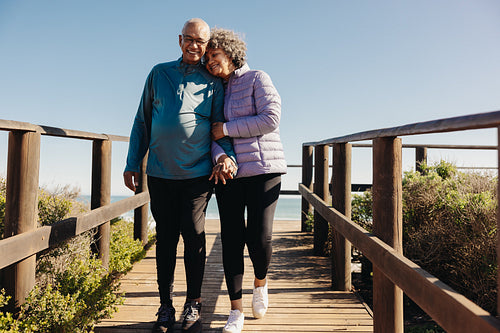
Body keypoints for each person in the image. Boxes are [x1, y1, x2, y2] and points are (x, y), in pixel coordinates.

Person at [124, 19, 237, 333]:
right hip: (159, 173)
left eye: (200, 41)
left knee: (193, 236)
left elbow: (218, 128)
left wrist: (227, 156)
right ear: (179, 40)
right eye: (189, 39)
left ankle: (194, 303)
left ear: (206, 44)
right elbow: (142, 122)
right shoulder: (159, 74)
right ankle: (165, 304)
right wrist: (132, 161)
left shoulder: (213, 82)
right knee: (166, 239)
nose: (194, 46)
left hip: (197, 175)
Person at [206, 28, 286, 333]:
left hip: (265, 170)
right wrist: (219, 156)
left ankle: (260, 285)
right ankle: (235, 310)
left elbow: (270, 120)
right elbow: (208, 132)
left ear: (231, 52)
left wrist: (226, 129)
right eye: (208, 58)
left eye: (216, 55)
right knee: (232, 240)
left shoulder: (258, 79)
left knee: (259, 237)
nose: (211, 61)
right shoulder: (213, 90)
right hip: (228, 174)